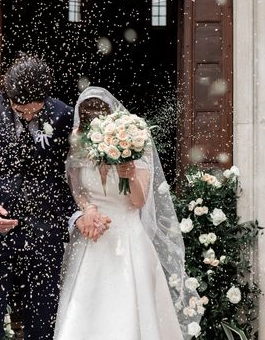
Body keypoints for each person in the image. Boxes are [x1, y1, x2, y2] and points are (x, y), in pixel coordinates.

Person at [0, 55, 110, 340]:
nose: (28, 116)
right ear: (8, 96)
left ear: (45, 97)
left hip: (43, 240)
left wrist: (77, 214)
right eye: (20, 110)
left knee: (41, 329)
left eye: (34, 110)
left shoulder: (62, 114)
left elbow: (65, 179)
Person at [54, 86, 202, 340]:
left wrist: (129, 173)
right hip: (94, 237)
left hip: (128, 238)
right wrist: (88, 209)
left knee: (130, 311)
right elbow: (77, 186)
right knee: (86, 310)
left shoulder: (132, 143)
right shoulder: (78, 140)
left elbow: (139, 200)